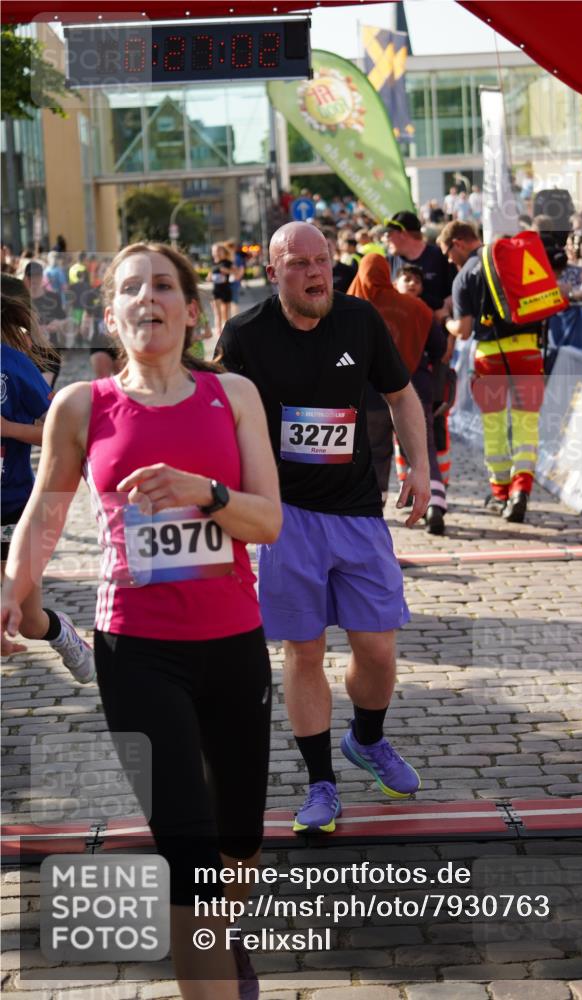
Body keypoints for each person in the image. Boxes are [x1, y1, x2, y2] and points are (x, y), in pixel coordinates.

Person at [2, 242, 282, 1000]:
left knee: (237, 844)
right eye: (131, 288)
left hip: (233, 646)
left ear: (192, 310)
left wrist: (205, 491)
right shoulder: (82, 407)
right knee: (187, 859)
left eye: (163, 285)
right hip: (137, 652)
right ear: (111, 312)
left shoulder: (235, 397)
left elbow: (268, 523)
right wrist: (9, 587)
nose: (148, 298)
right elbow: (43, 517)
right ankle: (213, 968)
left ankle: (225, 940)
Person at [217, 222, 429, 834]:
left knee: (378, 649)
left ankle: (367, 739)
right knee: (303, 651)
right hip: (286, 519)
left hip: (358, 513)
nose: (316, 274)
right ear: (273, 272)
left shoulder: (359, 322)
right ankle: (321, 784)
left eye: (323, 261)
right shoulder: (246, 334)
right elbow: (218, 414)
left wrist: (420, 467)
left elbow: (402, 395)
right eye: (300, 264)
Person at [1, 288, 95, 674]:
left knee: (28, 619)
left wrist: (8, 428)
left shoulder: (13, 364)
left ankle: (62, 634)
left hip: (12, 510)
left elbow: (57, 433)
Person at [440, 220, 545, 523]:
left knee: (495, 427)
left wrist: (446, 320)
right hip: (528, 351)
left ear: (459, 242)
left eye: (448, 251)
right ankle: (521, 491)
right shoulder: (511, 259)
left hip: (491, 358)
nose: (449, 259)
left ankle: (500, 494)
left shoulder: (464, 276)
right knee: (527, 426)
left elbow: (463, 330)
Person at [348, 255, 448, 535]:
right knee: (422, 450)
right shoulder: (415, 307)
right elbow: (439, 348)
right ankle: (434, 504)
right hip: (414, 390)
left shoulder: (350, 309)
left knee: (375, 454)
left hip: (368, 395)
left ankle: (373, 512)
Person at [385, 211, 456, 319]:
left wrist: (443, 309)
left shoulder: (440, 256)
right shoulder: (389, 261)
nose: (385, 238)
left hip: (439, 330)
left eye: (389, 233)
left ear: (403, 233)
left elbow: (458, 291)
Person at [22, 260, 66, 387]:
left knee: (44, 388)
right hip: (28, 354)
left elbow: (64, 320)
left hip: (50, 352)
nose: (34, 281)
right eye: (31, 277)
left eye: (37, 277)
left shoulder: (53, 297)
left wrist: (58, 324)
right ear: (26, 278)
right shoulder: (21, 301)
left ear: (42, 277)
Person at [208, 241, 234, 332]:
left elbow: (235, 273)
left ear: (223, 252)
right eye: (214, 251)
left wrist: (226, 271)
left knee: (226, 314)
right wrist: (210, 277)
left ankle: (226, 332)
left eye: (218, 251)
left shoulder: (228, 262)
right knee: (217, 313)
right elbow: (209, 278)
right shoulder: (213, 264)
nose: (216, 253)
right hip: (216, 291)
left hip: (226, 290)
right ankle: (219, 332)